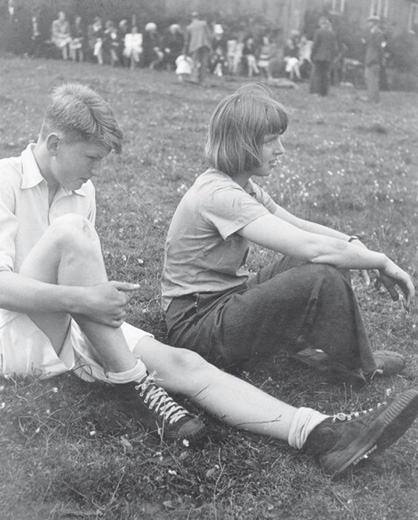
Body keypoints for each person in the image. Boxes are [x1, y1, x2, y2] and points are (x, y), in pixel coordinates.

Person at [2, 84, 418, 477]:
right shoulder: (5, 181)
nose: (94, 172)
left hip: (67, 317)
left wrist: (356, 247)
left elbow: (299, 231)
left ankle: (322, 434)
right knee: (74, 230)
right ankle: (131, 384)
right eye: (91, 158)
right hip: (16, 331)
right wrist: (82, 299)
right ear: (55, 143)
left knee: (187, 364)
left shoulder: (81, 189)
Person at [162, 82, 415, 389]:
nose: (280, 149)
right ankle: (358, 369)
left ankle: (322, 352)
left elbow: (298, 226)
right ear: (242, 144)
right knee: (320, 272)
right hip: (196, 327)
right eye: (271, 141)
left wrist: (349, 243)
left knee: (322, 257)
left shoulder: (242, 187)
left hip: (219, 304)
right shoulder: (220, 195)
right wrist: (380, 260)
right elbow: (312, 248)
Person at [310, 17, 337, 96]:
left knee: (318, 74)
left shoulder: (318, 32)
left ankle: (316, 92)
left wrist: (312, 55)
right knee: (325, 75)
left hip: (318, 56)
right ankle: (324, 92)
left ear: (321, 24)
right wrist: (332, 57)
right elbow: (334, 47)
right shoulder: (332, 33)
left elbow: (315, 45)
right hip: (328, 57)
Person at [184, 11, 212, 84]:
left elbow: (187, 40)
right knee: (204, 63)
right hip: (204, 45)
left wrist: (185, 50)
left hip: (194, 46)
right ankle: (202, 80)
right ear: (198, 17)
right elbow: (209, 35)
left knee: (195, 62)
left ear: (191, 18)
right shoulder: (204, 23)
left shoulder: (189, 27)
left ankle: (194, 78)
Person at [364, 15, 384, 103]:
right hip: (370, 59)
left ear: (374, 23)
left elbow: (379, 47)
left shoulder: (378, 33)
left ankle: (373, 99)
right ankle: (371, 98)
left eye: (370, 22)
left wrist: (378, 58)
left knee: (373, 80)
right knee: (369, 79)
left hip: (373, 59)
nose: (368, 23)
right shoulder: (372, 33)